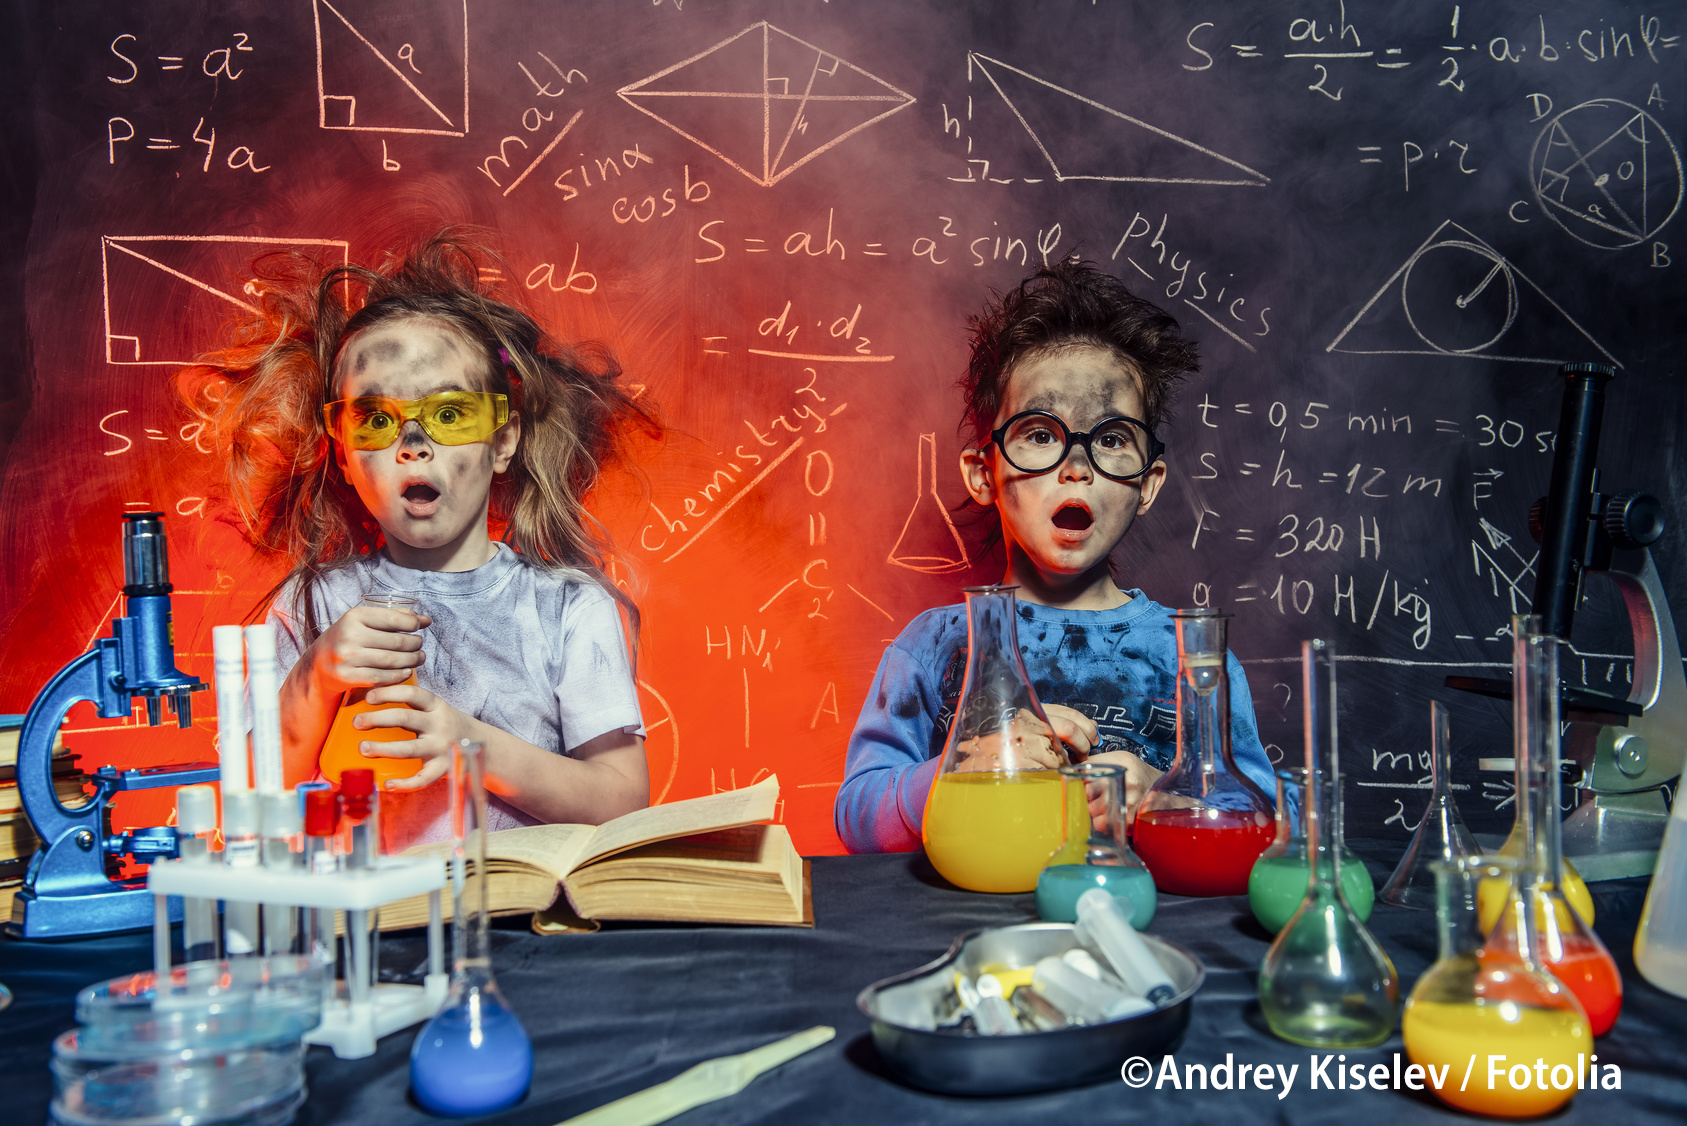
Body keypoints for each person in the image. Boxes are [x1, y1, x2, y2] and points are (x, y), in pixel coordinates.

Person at [184, 233, 656, 850]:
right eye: (376, 420)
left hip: (531, 924)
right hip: (374, 927)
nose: (413, 443)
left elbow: (624, 801)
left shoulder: (568, 609)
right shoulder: (316, 608)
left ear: (504, 441)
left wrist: (472, 746)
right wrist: (317, 676)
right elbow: (246, 802)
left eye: (450, 413)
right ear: (343, 455)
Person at [835, 259, 1275, 853]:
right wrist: (966, 769)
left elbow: (1273, 815)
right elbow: (858, 817)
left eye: (1113, 440)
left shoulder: (1191, 658)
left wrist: (1167, 796)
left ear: (1148, 483)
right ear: (983, 473)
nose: (1077, 465)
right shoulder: (934, 648)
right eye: (1041, 433)